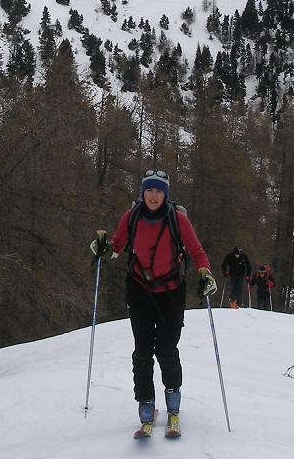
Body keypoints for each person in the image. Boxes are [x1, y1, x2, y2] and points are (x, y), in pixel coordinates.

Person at [89, 169, 216, 439]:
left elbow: (197, 251)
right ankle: (146, 404)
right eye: (149, 190)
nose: (154, 195)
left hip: (171, 292)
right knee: (143, 351)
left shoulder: (177, 219)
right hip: (140, 290)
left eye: (159, 191)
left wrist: (205, 273)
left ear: (165, 194)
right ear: (143, 192)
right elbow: (117, 246)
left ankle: (173, 401)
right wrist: (103, 247)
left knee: (167, 349)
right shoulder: (132, 216)